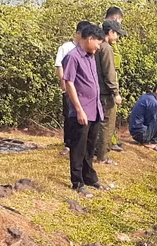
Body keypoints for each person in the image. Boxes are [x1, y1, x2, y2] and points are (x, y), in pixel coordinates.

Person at [62, 23, 105, 195]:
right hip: (82, 110)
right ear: (90, 39)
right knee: (78, 147)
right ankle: (77, 181)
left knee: (90, 146)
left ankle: (89, 177)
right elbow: (69, 82)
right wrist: (79, 109)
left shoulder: (90, 56)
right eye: (98, 43)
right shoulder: (73, 57)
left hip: (94, 109)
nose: (99, 46)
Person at [55, 20, 91, 156]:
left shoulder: (87, 49)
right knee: (69, 116)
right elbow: (59, 66)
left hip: (82, 91)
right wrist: (63, 84)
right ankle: (68, 144)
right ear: (78, 34)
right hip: (69, 88)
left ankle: (80, 143)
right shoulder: (66, 47)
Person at [94, 19, 126, 166]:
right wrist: (116, 93)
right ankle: (103, 156)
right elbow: (109, 73)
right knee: (107, 124)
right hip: (106, 94)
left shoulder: (97, 45)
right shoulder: (106, 48)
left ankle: (96, 153)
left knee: (98, 124)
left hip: (97, 92)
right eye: (117, 34)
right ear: (111, 32)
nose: (118, 38)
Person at [104, 6, 125, 153]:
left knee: (111, 115)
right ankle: (104, 150)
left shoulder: (111, 40)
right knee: (106, 117)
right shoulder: (104, 40)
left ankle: (111, 140)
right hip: (107, 83)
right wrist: (115, 90)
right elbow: (110, 65)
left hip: (112, 78)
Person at [129, 82, 157, 151]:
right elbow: (151, 122)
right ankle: (152, 143)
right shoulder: (153, 103)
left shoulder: (147, 97)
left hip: (135, 132)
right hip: (140, 134)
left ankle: (149, 141)